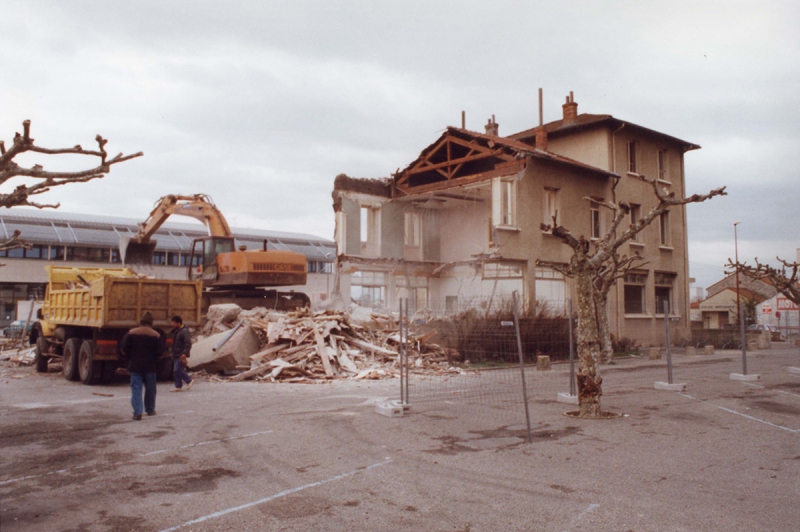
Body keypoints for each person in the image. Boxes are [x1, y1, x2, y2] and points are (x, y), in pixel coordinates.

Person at [120, 311, 167, 420]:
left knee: (136, 389)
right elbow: (161, 352)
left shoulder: (131, 333)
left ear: (141, 322)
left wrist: (128, 358)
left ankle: (137, 412)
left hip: (135, 366)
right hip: (150, 367)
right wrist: (156, 360)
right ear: (151, 323)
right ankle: (150, 410)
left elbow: (123, 349)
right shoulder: (156, 335)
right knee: (150, 389)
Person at [169, 315, 194, 392]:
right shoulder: (177, 331)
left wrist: (184, 353)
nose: (172, 324)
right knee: (175, 370)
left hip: (180, 354)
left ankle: (189, 380)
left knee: (177, 369)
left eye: (173, 323)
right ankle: (178, 386)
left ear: (178, 323)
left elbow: (187, 343)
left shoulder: (184, 331)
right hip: (176, 353)